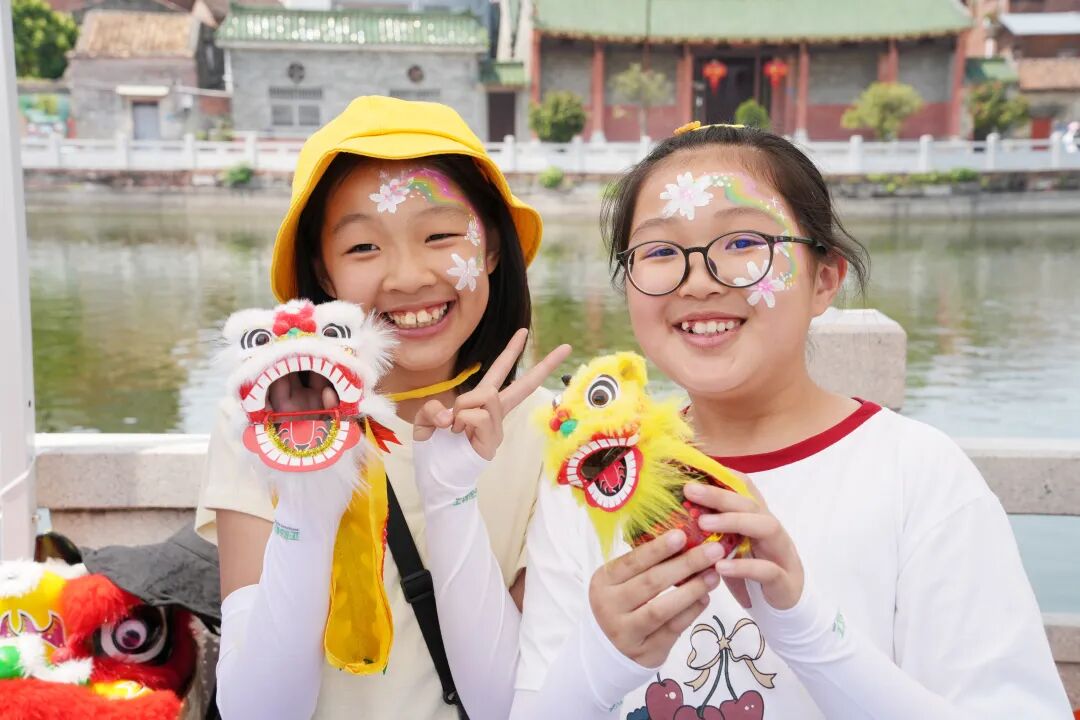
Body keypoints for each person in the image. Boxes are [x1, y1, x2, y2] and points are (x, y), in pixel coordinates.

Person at [414, 122, 1072, 719]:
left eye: (742, 242)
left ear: (824, 279)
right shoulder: (598, 477)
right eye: (660, 251)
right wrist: (603, 655)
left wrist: (808, 630)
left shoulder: (919, 475)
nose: (698, 281)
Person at [194, 96, 563, 719]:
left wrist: (452, 497)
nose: (408, 277)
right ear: (324, 272)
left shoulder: (555, 433)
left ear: (493, 248)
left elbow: (516, 703)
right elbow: (257, 711)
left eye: (440, 236)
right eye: (364, 247)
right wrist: (306, 499)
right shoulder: (261, 425)